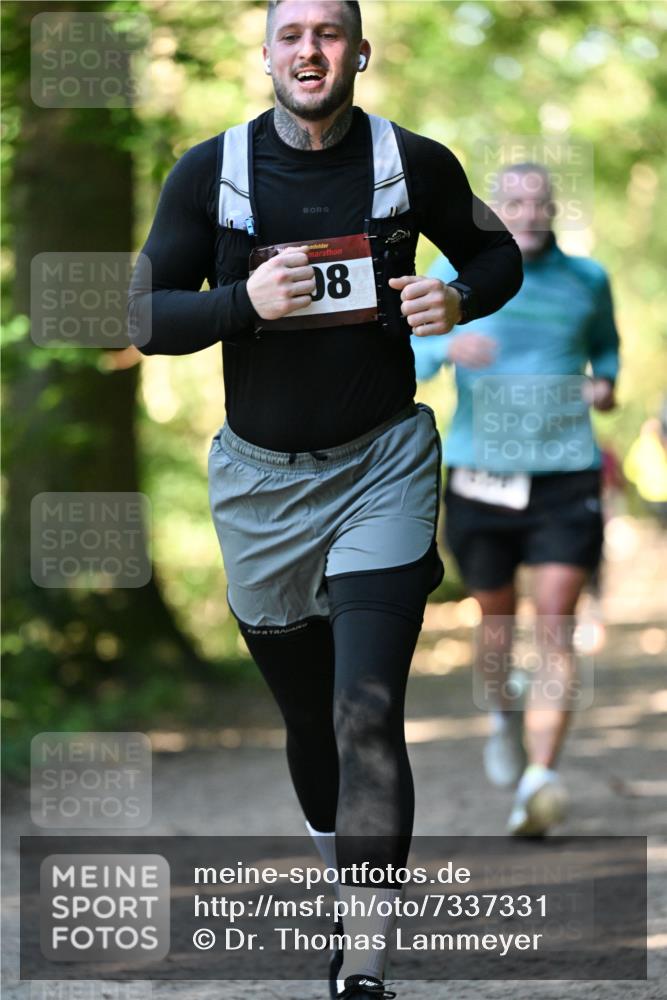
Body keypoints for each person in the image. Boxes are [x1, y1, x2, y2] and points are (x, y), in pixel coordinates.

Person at [130, 2, 522, 996]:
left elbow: (496, 253)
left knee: (365, 708)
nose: (311, 51)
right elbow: (139, 313)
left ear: (359, 52)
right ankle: (342, 882)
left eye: (330, 33)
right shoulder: (209, 174)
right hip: (259, 484)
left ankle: (365, 958)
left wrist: (458, 297)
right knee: (309, 719)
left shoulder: (413, 164)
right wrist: (238, 305)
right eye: (292, 34)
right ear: (266, 53)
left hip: (381, 463)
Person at [413, 162, 620, 837]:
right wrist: (447, 342)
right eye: (514, 202)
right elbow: (411, 355)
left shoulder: (586, 280)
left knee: (555, 619)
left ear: (554, 209)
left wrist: (605, 385)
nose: (527, 212)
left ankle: (539, 777)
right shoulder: (456, 269)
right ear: (493, 210)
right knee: (495, 625)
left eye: (539, 202)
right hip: (481, 476)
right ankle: (502, 714)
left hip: (564, 473)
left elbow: (606, 351)